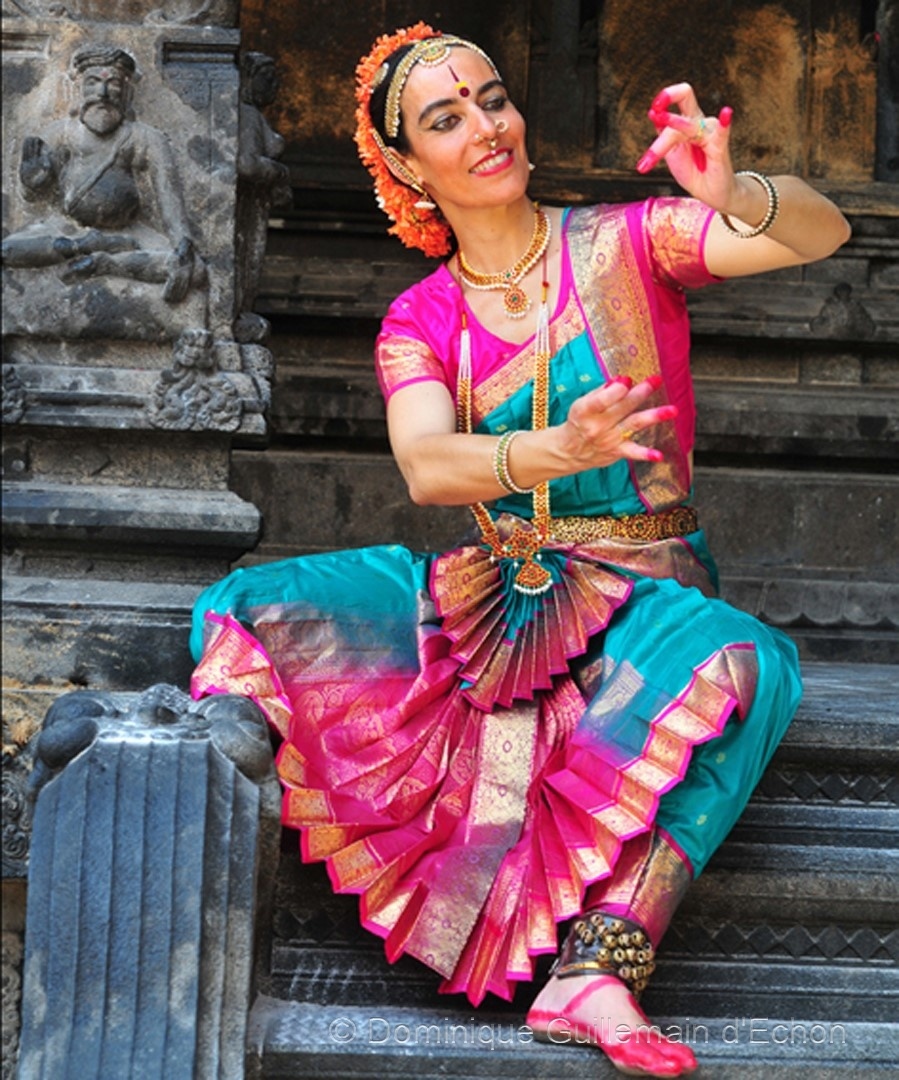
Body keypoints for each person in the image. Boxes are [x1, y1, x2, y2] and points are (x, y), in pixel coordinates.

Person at [189, 23, 850, 1078]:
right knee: (252, 605)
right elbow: (426, 465)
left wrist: (735, 192)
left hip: (647, 594)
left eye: (492, 99)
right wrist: (555, 450)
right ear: (407, 165)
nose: (485, 128)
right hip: (495, 602)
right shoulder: (421, 319)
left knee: (744, 662)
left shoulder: (630, 243)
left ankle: (595, 970)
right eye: (445, 119)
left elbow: (816, 235)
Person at [2, 44, 203, 304]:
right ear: (79, 89)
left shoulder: (145, 138)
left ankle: (107, 263)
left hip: (129, 233)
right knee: (7, 250)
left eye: (113, 84)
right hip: (67, 229)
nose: (103, 94)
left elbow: (170, 206)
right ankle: (87, 246)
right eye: (93, 83)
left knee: (196, 271)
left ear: (126, 91)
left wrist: (183, 245)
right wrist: (32, 184)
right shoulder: (60, 133)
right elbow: (33, 197)